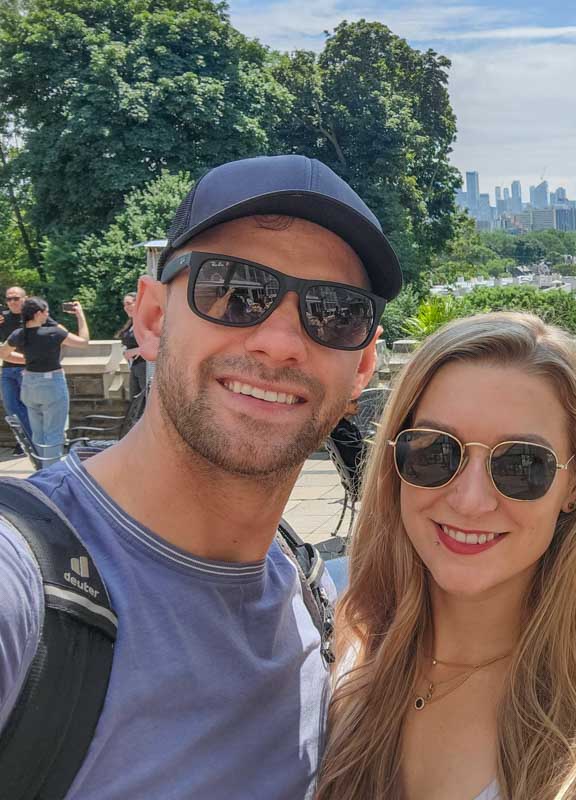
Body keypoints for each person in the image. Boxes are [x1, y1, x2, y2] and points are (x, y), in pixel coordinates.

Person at [0, 154, 401, 797]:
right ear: (152, 317)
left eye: (334, 312)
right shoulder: (24, 583)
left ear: (361, 369)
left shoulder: (308, 598)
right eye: (235, 290)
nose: (280, 341)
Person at [316, 312, 576, 800]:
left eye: (522, 464)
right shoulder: (341, 653)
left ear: (575, 485)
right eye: (435, 452)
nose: (470, 500)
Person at [0, 297, 90, 463]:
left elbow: (3, 353)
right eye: (46, 312)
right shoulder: (54, 332)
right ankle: (51, 474)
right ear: (38, 314)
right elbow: (83, 342)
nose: (48, 315)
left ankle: (41, 469)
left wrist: (27, 360)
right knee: (54, 433)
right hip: (51, 384)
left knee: (38, 433)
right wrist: (80, 315)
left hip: (29, 384)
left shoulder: (19, 333)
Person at [0, 285, 32, 444]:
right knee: (11, 407)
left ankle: (31, 440)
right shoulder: (2, 318)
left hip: (28, 369)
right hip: (7, 369)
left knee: (30, 407)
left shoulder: (33, 317)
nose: (12, 302)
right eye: (9, 299)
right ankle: (26, 440)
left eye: (16, 298)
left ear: (25, 299)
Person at [116, 291, 147, 400]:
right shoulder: (132, 323)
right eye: (124, 304)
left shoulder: (146, 322)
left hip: (145, 367)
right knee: (135, 403)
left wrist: (136, 351)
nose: (126, 307)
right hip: (134, 367)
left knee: (144, 401)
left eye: (129, 303)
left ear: (138, 303)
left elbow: (157, 343)